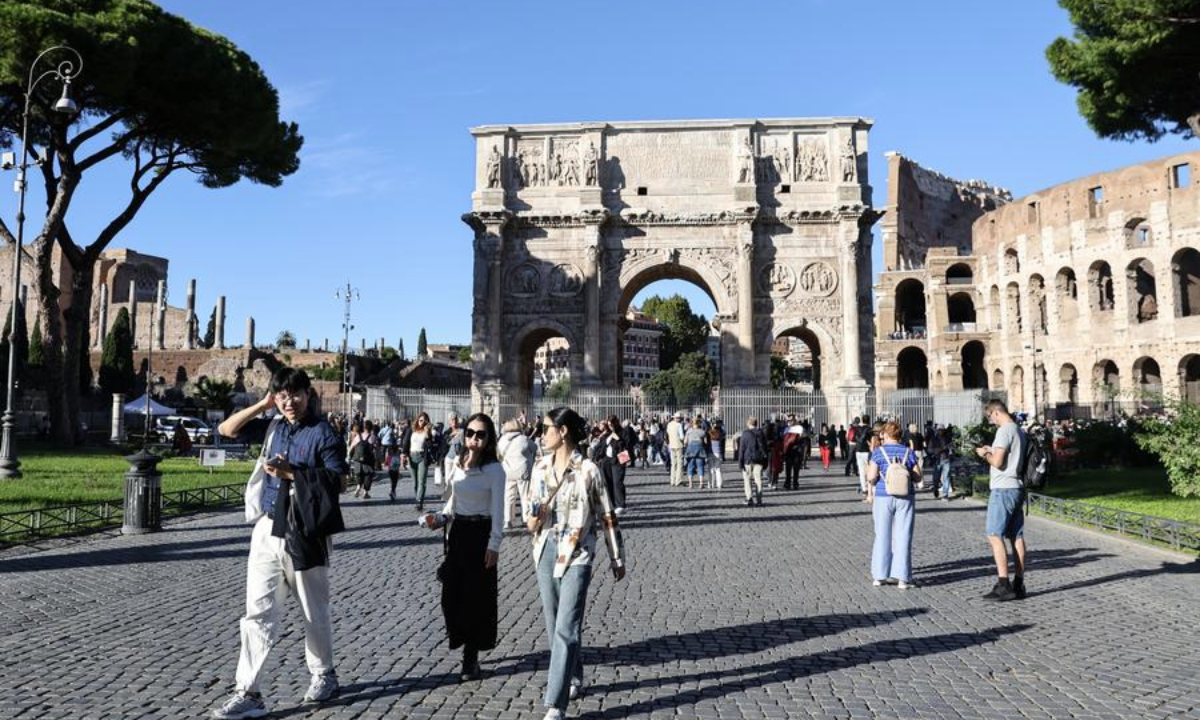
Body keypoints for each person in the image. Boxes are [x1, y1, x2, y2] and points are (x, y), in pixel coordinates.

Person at [210, 368, 347, 719]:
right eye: (282, 396)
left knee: (313, 611)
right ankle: (249, 692)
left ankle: (324, 674)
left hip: (306, 530)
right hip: (268, 528)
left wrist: (293, 474)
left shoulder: (323, 433)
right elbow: (226, 429)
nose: (289, 401)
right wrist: (262, 404)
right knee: (257, 613)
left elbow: (338, 481)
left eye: (295, 394)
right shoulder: (273, 427)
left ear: (308, 393)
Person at [525, 407, 626, 720]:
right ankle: (575, 674)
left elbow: (607, 516)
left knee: (567, 626)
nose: (541, 435)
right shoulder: (539, 468)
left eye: (545, 429)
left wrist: (616, 557)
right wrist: (534, 517)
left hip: (578, 553)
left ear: (563, 431)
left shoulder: (589, 471)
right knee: (555, 623)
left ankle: (555, 703)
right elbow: (529, 521)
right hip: (545, 548)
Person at [421, 413, 505, 681]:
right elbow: (451, 503)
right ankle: (462, 639)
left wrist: (494, 544)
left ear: (489, 438)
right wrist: (439, 518)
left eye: (481, 434)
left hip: (481, 534)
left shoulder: (495, 470)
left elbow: (499, 511)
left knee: (476, 597)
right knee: (451, 597)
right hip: (458, 534)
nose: (474, 439)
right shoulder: (457, 463)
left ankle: (471, 657)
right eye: (470, 433)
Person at [976, 399, 1028, 601]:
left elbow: (998, 462)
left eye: (990, 418)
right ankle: (1019, 583)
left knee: (994, 534)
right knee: (1017, 536)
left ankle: (1003, 583)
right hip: (1016, 487)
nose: (992, 422)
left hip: (1003, 488)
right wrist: (993, 450)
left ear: (996, 413)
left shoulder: (1004, 430)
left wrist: (984, 455)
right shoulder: (1018, 430)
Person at [866, 421, 920, 590]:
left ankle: (880, 576)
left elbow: (871, 477)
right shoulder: (908, 452)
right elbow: (918, 477)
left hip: (883, 496)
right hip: (905, 496)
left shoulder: (878, 453)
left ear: (885, 434)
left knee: (882, 535)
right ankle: (903, 578)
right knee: (903, 536)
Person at [498, 418, 535, 528]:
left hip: (507, 470)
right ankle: (525, 518)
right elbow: (534, 448)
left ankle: (507, 520)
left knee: (509, 496)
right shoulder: (523, 439)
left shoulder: (502, 440)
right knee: (524, 496)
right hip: (522, 470)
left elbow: (499, 452)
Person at [400, 412, 435, 510]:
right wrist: (403, 455)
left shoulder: (427, 432)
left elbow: (430, 445)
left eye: (424, 421)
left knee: (422, 482)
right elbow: (406, 443)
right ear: (417, 420)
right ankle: (418, 498)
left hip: (422, 457)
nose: (422, 423)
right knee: (415, 482)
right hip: (412, 456)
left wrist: (428, 434)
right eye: (420, 420)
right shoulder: (411, 430)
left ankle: (419, 501)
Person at [737, 416, 768, 507]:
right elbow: (765, 448)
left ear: (748, 423)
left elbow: (741, 449)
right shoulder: (761, 433)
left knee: (747, 480)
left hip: (748, 460)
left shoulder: (745, 434)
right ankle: (759, 500)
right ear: (756, 423)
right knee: (758, 480)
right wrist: (765, 461)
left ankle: (749, 498)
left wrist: (740, 462)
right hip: (759, 460)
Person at [348, 421, 376, 499]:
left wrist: (350, 456)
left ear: (363, 427)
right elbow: (376, 449)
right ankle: (365, 492)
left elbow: (351, 447)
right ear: (371, 428)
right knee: (368, 475)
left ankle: (358, 487)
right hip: (368, 460)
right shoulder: (372, 437)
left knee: (359, 474)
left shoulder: (358, 437)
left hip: (357, 460)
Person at [683, 416, 708, 489]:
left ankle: (690, 484)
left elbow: (685, 442)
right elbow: (706, 442)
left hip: (691, 448)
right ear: (699, 424)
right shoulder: (702, 431)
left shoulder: (689, 431)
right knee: (700, 466)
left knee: (690, 466)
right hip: (700, 448)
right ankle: (701, 484)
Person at [666, 412, 685, 486]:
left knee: (673, 464)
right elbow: (682, 437)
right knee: (679, 463)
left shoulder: (669, 424)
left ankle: (672, 480)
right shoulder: (679, 425)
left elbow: (667, 433)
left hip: (671, 445)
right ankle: (678, 480)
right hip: (678, 445)